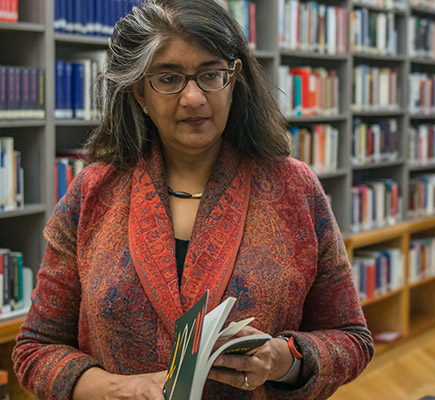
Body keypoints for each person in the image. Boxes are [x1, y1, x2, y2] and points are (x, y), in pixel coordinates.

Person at [12, 0, 373, 399]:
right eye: (168, 79)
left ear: (235, 80)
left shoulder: (295, 189)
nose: (194, 98)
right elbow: (35, 347)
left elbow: (351, 338)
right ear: (139, 93)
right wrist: (115, 389)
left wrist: (284, 359)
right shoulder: (93, 192)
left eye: (211, 75)